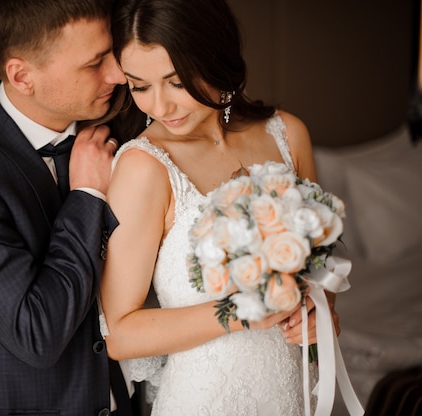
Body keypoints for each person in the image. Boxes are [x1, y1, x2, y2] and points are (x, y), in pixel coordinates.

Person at [99, 0, 341, 414]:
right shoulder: (144, 167)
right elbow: (121, 334)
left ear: (216, 58)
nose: (159, 107)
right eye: (139, 86)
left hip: (294, 393)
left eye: (176, 83)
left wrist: (321, 312)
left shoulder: (288, 134)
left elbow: (317, 267)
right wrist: (241, 313)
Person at [0, 0, 136, 414]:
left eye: (112, 52)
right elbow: (37, 332)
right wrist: (86, 197)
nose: (118, 74)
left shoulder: (125, 120)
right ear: (22, 75)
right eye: (94, 63)